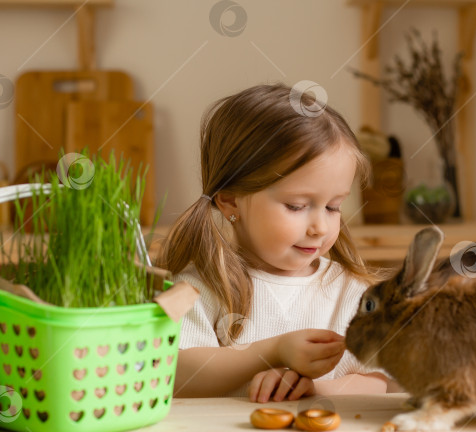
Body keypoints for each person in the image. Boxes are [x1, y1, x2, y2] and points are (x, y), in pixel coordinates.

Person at [159, 83, 398, 402]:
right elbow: (172, 373)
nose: (320, 226)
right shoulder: (198, 289)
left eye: (333, 207)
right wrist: (272, 351)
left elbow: (386, 378)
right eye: (297, 206)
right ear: (231, 201)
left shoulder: (354, 293)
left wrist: (316, 390)